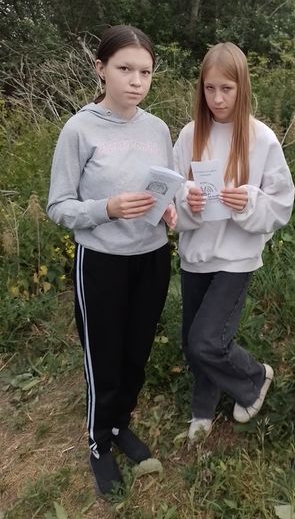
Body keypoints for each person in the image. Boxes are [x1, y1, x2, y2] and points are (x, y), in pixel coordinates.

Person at [47, 25, 177, 497]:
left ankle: (121, 424)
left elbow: (166, 186)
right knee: (103, 355)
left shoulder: (158, 129)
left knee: (136, 351)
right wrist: (107, 208)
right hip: (102, 261)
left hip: (152, 257)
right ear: (100, 69)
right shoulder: (79, 129)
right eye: (125, 69)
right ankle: (99, 440)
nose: (136, 81)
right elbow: (58, 205)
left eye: (145, 72)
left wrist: (169, 209)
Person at [174, 42, 294, 441]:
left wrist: (249, 202)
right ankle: (203, 408)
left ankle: (255, 377)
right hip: (195, 254)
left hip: (236, 258)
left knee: (206, 340)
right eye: (209, 89)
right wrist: (186, 201)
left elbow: (281, 205)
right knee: (193, 342)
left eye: (226, 89)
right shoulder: (189, 135)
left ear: (242, 87)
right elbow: (172, 197)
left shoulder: (262, 138)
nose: (218, 99)